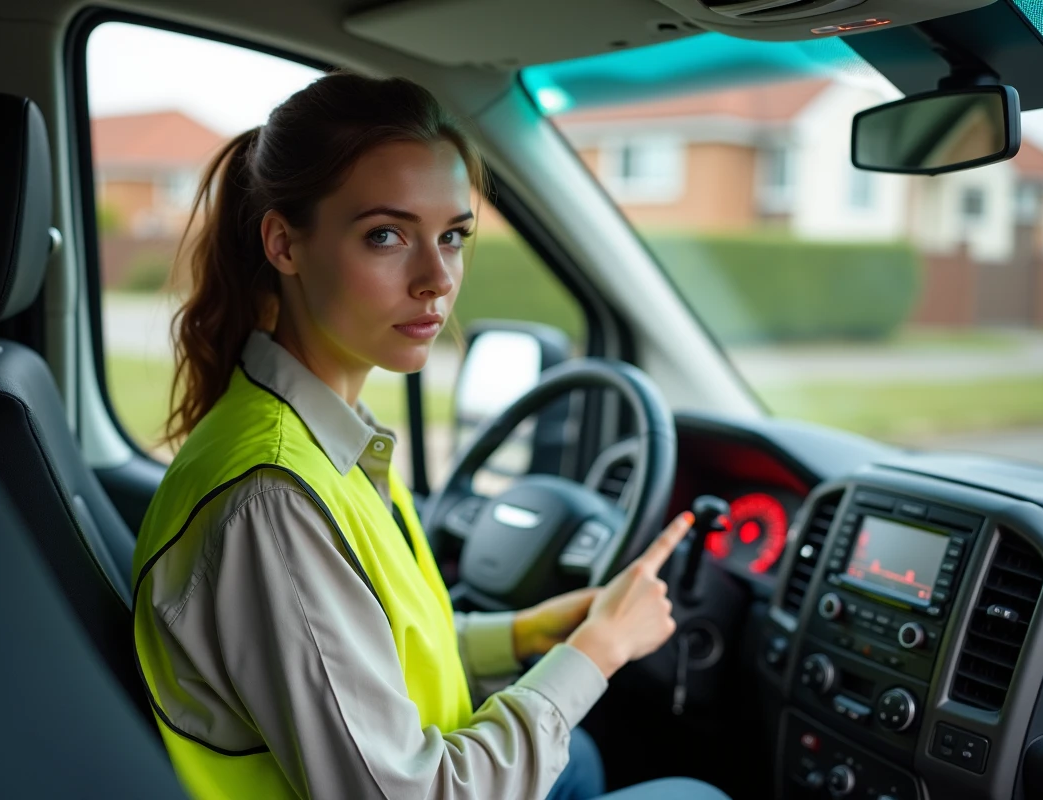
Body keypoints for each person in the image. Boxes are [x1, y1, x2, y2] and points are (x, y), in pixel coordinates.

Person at [131, 71, 730, 800]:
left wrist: (521, 636)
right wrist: (597, 650)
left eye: (452, 236)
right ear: (284, 244)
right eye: (386, 235)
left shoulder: (323, 439)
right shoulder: (274, 500)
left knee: (585, 762)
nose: (437, 279)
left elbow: (367, 663)